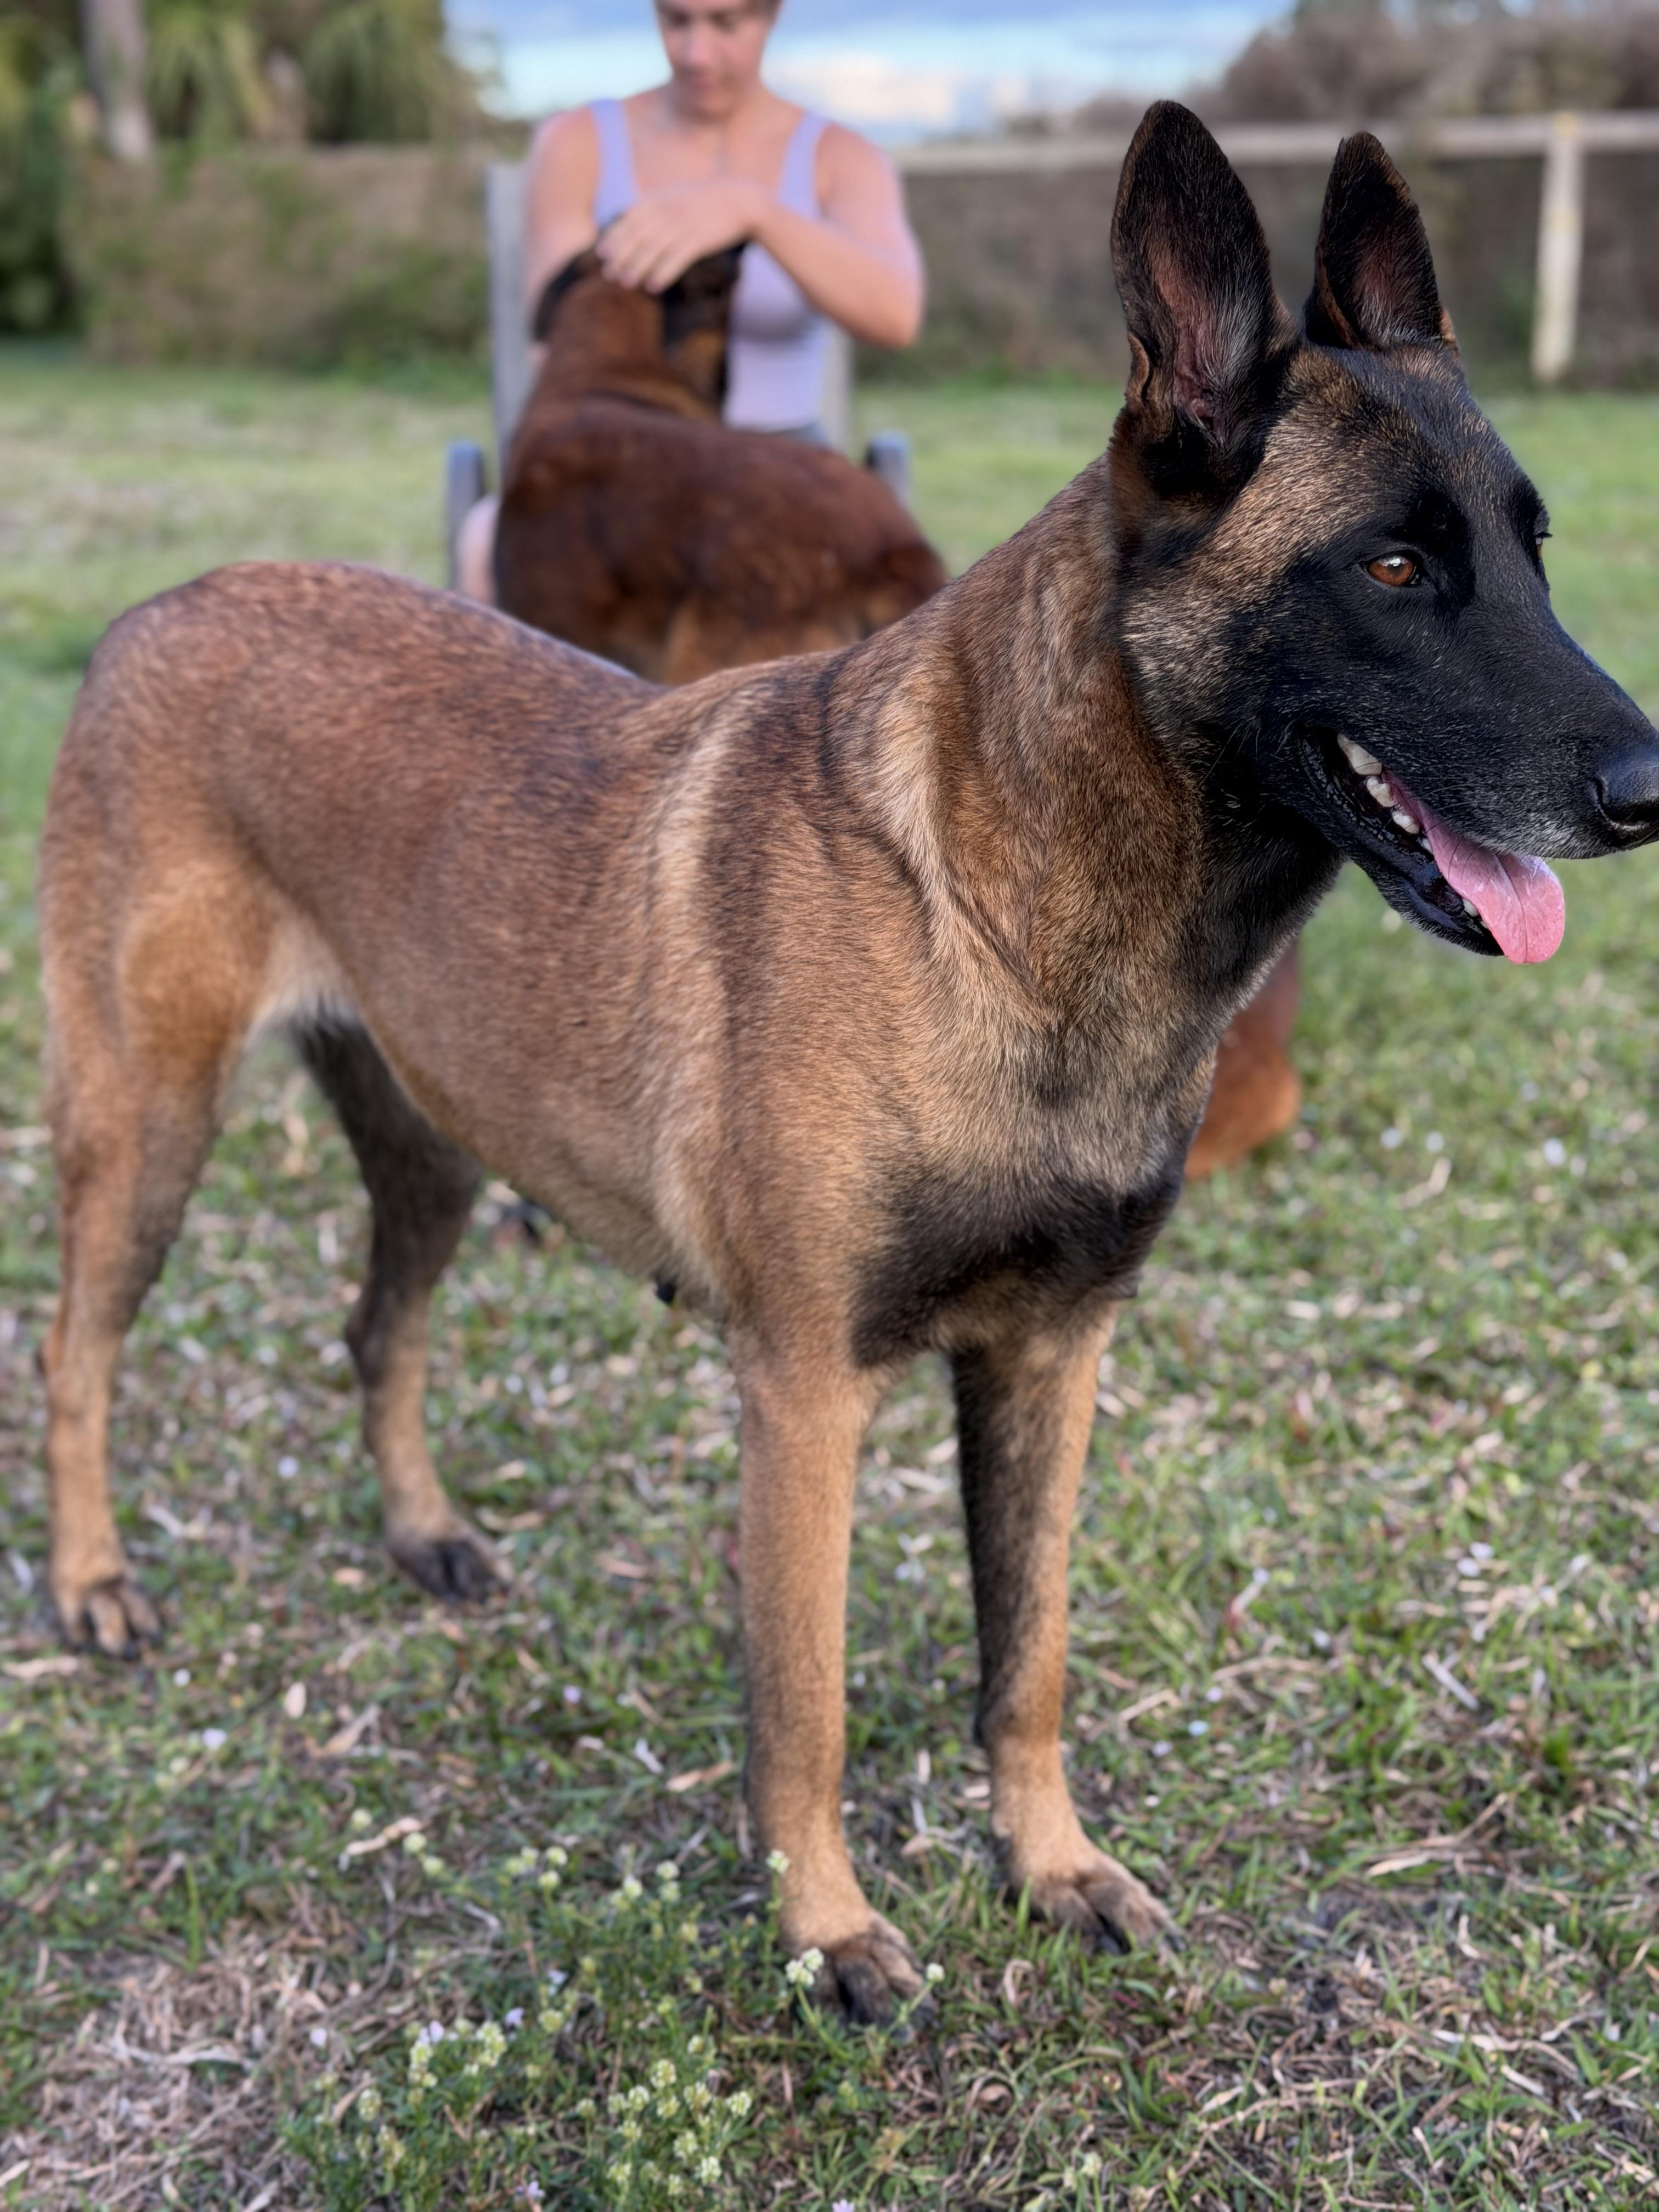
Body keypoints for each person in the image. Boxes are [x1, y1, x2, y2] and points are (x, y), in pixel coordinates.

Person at [456, 0, 926, 602]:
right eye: (677, 20)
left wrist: (754, 211)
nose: (696, 52)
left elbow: (895, 315)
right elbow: (559, 348)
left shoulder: (842, 158)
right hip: (620, 462)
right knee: (482, 544)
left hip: (782, 459)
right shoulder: (579, 142)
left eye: (726, 23)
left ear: (772, 15)